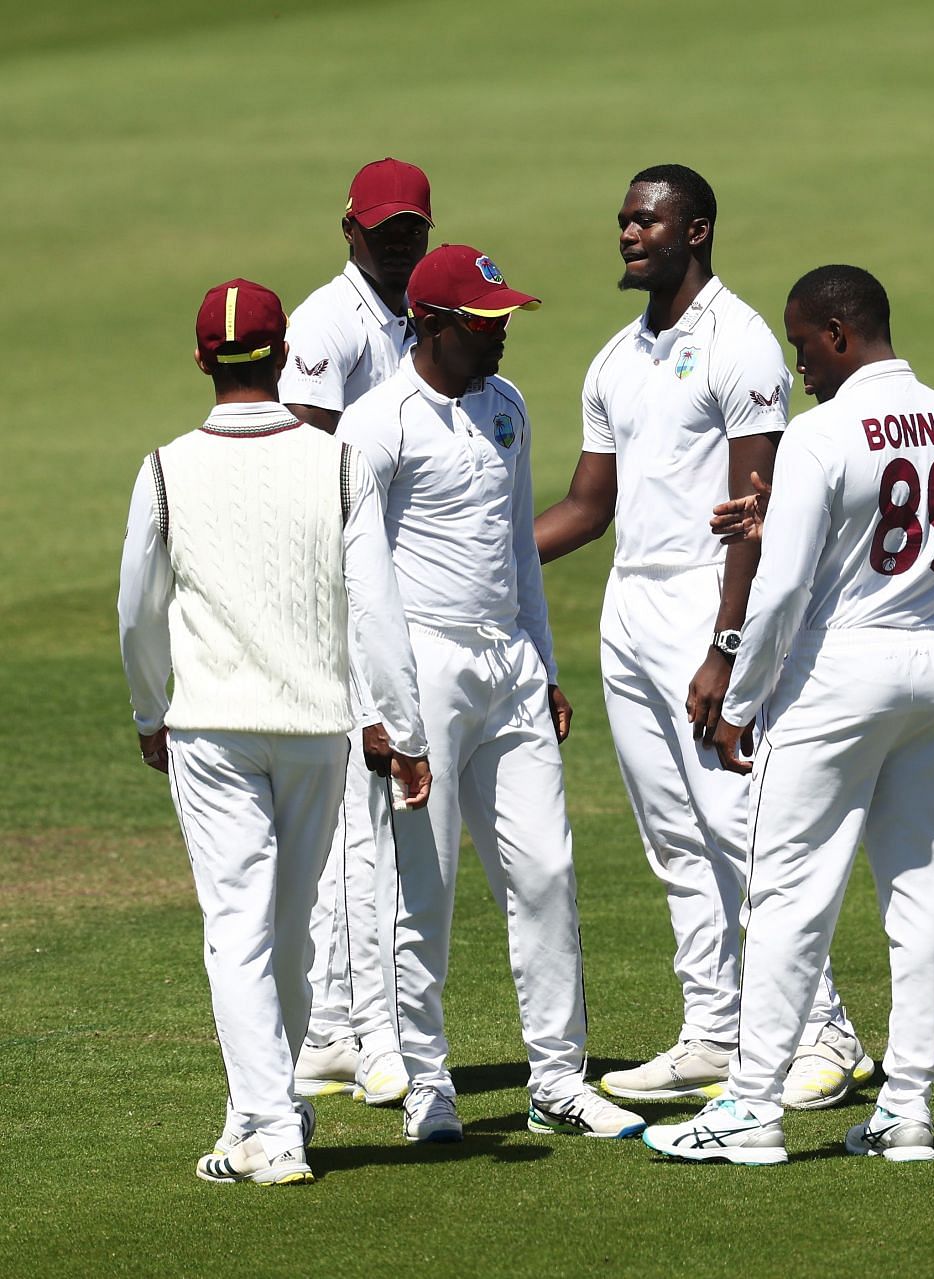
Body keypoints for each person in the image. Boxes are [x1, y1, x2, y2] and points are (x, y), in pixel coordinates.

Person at [534, 165, 870, 1110]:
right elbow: (587, 508)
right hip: (628, 607)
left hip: (704, 603)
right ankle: (715, 1029)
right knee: (674, 838)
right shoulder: (613, 358)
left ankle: (825, 1031)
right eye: (623, 221)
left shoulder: (743, 343)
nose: (629, 235)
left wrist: (728, 645)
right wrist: (478, 558)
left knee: (738, 827)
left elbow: (753, 514)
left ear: (698, 229)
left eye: (647, 221)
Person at [642, 264, 934, 1165]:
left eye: (804, 345)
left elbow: (788, 584)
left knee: (789, 891)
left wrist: (740, 695)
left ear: (839, 331)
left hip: (841, 671)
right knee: (922, 894)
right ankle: (908, 1107)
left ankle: (752, 1110)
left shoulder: (824, 431)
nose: (800, 366)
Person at [118, 279, 430, 1184]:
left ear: (201, 358)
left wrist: (150, 709)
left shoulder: (167, 465)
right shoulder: (336, 461)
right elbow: (378, 609)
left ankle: (268, 1126)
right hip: (313, 726)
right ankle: (264, 1111)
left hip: (212, 726)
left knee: (241, 927)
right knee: (286, 928)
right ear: (284, 347)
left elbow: (138, 611)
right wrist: (400, 728)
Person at [337, 244, 646, 1143]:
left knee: (547, 870)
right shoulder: (375, 424)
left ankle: (559, 1078)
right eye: (484, 322)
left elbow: (517, 553)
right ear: (430, 325)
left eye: (504, 317)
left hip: (508, 663)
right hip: (421, 670)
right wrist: (384, 711)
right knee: (422, 892)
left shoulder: (506, 407)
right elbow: (362, 586)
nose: (501, 334)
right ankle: (429, 1087)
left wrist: (544, 665)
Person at [279, 158, 435, 1105]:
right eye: (382, 229)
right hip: (347, 595)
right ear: (348, 228)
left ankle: (336, 1025)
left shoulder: (422, 313)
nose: (398, 241)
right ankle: (345, 1025)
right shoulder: (328, 323)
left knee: (365, 816)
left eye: (411, 226)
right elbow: (305, 463)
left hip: (397, 592)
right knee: (357, 817)